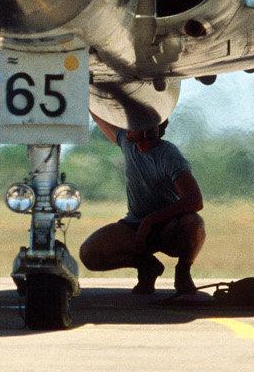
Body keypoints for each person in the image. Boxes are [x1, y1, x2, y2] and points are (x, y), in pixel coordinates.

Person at [78, 112, 206, 294]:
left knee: (194, 223)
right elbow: (104, 121)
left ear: (149, 130)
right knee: (90, 254)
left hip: (169, 228)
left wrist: (151, 220)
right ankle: (148, 266)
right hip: (135, 226)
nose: (127, 127)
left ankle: (183, 271)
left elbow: (195, 200)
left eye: (133, 123)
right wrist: (91, 101)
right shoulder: (129, 143)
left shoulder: (168, 155)